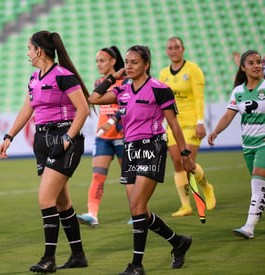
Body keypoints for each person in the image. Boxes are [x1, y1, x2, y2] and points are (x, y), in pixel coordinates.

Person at [89, 45, 195, 275]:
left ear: (146, 64)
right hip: (130, 150)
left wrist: (185, 154)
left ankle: (136, 265)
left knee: (137, 207)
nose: (128, 66)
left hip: (152, 147)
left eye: (134, 62)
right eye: (126, 62)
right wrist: (113, 77)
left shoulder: (160, 89)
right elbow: (93, 97)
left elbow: (174, 125)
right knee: (140, 211)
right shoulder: (122, 89)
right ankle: (178, 242)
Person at [0, 30, 90, 273]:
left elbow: (83, 110)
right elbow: (27, 109)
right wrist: (9, 136)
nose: (27, 53)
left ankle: (48, 258)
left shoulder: (63, 76)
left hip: (63, 140)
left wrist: (68, 139)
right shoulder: (34, 78)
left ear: (39, 50)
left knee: (45, 199)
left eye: (29, 48)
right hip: (42, 140)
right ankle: (78, 255)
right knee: (62, 202)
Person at [208, 50, 265, 239]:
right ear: (243, 67)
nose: (257, 65)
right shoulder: (238, 91)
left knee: (257, 185)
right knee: (261, 187)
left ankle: (249, 227)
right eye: (251, 63)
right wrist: (215, 132)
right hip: (248, 146)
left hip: (263, 145)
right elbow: (228, 115)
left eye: (258, 62)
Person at [159, 37, 215, 217]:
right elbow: (161, 103)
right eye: (170, 48)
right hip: (173, 123)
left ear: (182, 49)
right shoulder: (163, 74)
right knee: (177, 163)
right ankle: (186, 206)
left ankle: (206, 186)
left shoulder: (193, 70)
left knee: (188, 161)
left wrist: (201, 122)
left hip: (191, 122)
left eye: (177, 47)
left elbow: (199, 97)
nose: (174, 50)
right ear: (167, 51)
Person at [77, 46, 126, 227]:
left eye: (102, 60)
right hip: (103, 137)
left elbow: (126, 108)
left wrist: (111, 122)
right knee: (98, 176)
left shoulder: (125, 83)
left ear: (113, 61)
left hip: (123, 135)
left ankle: (139, 214)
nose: (98, 64)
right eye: (97, 61)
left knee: (129, 178)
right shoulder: (99, 84)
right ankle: (92, 214)